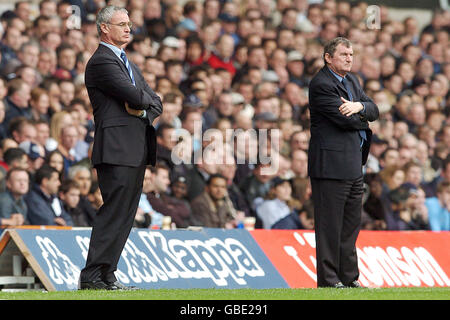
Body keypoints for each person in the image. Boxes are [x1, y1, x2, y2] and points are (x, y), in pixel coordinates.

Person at [78, 6, 162, 291]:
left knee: (125, 216)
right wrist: (143, 104)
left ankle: (107, 275)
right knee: (114, 212)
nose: (129, 28)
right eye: (122, 24)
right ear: (104, 28)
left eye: (129, 23)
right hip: (115, 149)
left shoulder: (126, 61)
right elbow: (135, 95)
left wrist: (141, 112)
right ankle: (92, 275)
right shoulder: (102, 61)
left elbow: (155, 102)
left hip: (134, 149)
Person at [307, 37, 379, 288]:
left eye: (352, 54)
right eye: (344, 54)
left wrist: (358, 105)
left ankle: (350, 278)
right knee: (329, 227)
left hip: (353, 164)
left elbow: (374, 110)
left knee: (350, 226)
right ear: (328, 57)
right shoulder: (321, 84)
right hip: (330, 166)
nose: (349, 58)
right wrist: (363, 113)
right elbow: (346, 121)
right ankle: (328, 281)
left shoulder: (352, 81)